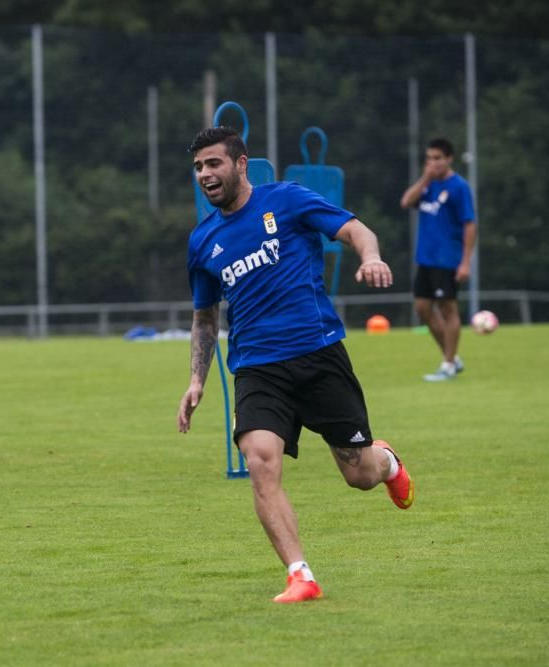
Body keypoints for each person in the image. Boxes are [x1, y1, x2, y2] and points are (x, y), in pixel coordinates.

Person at [177, 127, 414, 604]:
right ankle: (300, 575)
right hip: (257, 368)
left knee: (359, 475)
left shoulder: (286, 201)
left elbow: (353, 229)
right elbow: (205, 318)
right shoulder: (202, 242)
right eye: (199, 167)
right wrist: (196, 380)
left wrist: (370, 257)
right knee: (260, 461)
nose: (205, 174)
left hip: (318, 353)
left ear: (241, 164)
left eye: (214, 164)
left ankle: (386, 462)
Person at [400, 137, 477, 382]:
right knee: (422, 308)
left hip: (448, 259)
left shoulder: (459, 187)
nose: (433, 163)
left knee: (448, 309)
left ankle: (448, 364)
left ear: (449, 159)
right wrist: (425, 178)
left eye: (438, 158)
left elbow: (470, 225)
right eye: (429, 158)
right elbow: (406, 202)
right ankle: (451, 356)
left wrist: (465, 262)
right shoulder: (427, 185)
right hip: (426, 258)